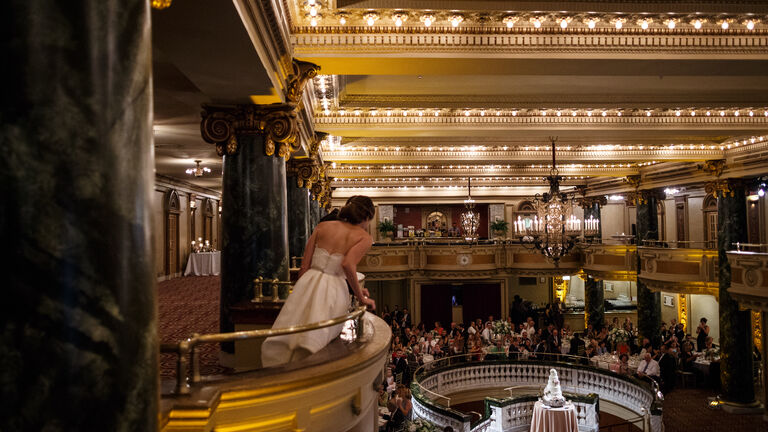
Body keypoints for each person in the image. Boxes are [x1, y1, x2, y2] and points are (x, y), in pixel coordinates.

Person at [261, 196, 376, 367]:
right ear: (366, 217)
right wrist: (360, 296)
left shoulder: (322, 226)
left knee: (294, 326)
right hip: (334, 289)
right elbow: (347, 264)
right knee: (320, 336)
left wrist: (301, 290)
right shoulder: (364, 237)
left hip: (308, 281)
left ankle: (279, 367)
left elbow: (304, 266)